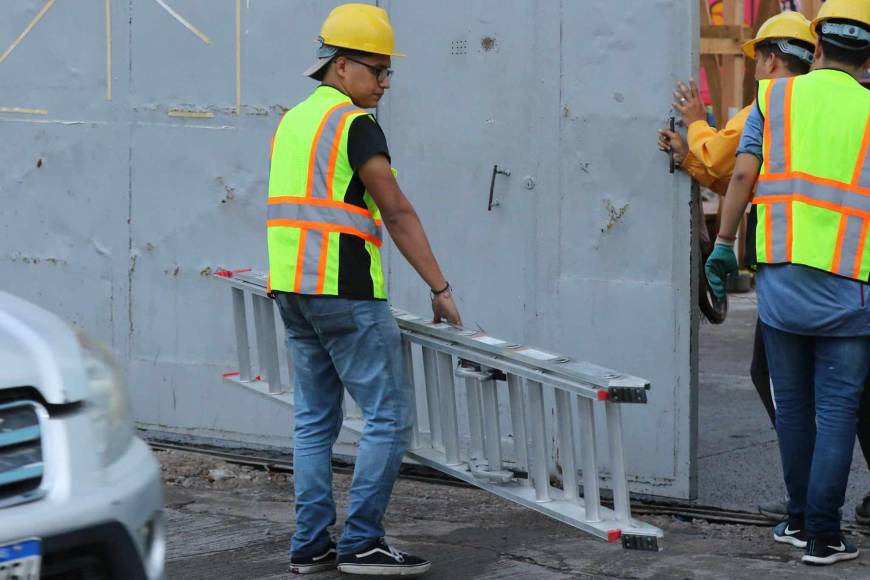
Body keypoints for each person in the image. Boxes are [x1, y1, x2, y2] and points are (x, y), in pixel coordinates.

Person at [266, 4, 461, 575]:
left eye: (387, 72)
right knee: (390, 416)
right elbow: (397, 213)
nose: (384, 82)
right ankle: (362, 542)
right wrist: (440, 287)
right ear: (342, 66)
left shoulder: (294, 120)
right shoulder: (354, 125)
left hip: (293, 290)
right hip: (344, 290)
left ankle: (309, 546)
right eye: (377, 70)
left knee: (314, 421)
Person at [705, 0, 870, 566]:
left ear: (818, 45)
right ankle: (825, 536)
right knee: (839, 411)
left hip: (780, 283)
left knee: (794, 407)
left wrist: (724, 245)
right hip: (852, 285)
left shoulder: (773, 98)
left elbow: (744, 174)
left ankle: (798, 522)